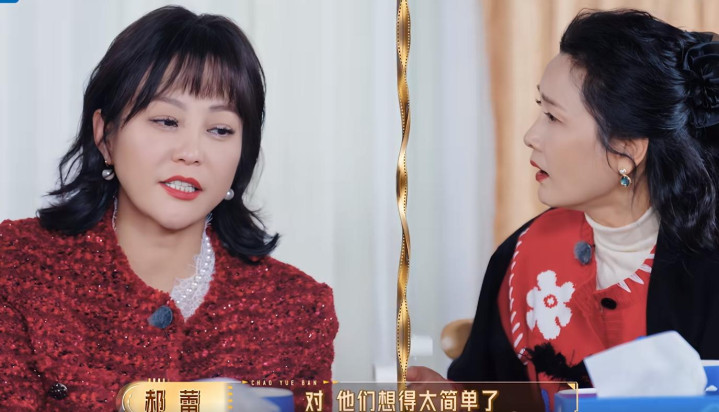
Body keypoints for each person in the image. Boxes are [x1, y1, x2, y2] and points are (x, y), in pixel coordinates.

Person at [0, 6, 337, 411]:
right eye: (166, 121)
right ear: (105, 136)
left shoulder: (297, 310)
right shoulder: (16, 266)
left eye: (220, 129)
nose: (191, 152)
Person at [408, 8, 719, 410]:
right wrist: (455, 400)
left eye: (553, 117)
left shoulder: (706, 269)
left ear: (626, 150)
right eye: (541, 110)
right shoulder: (524, 254)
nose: (531, 136)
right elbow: (492, 396)